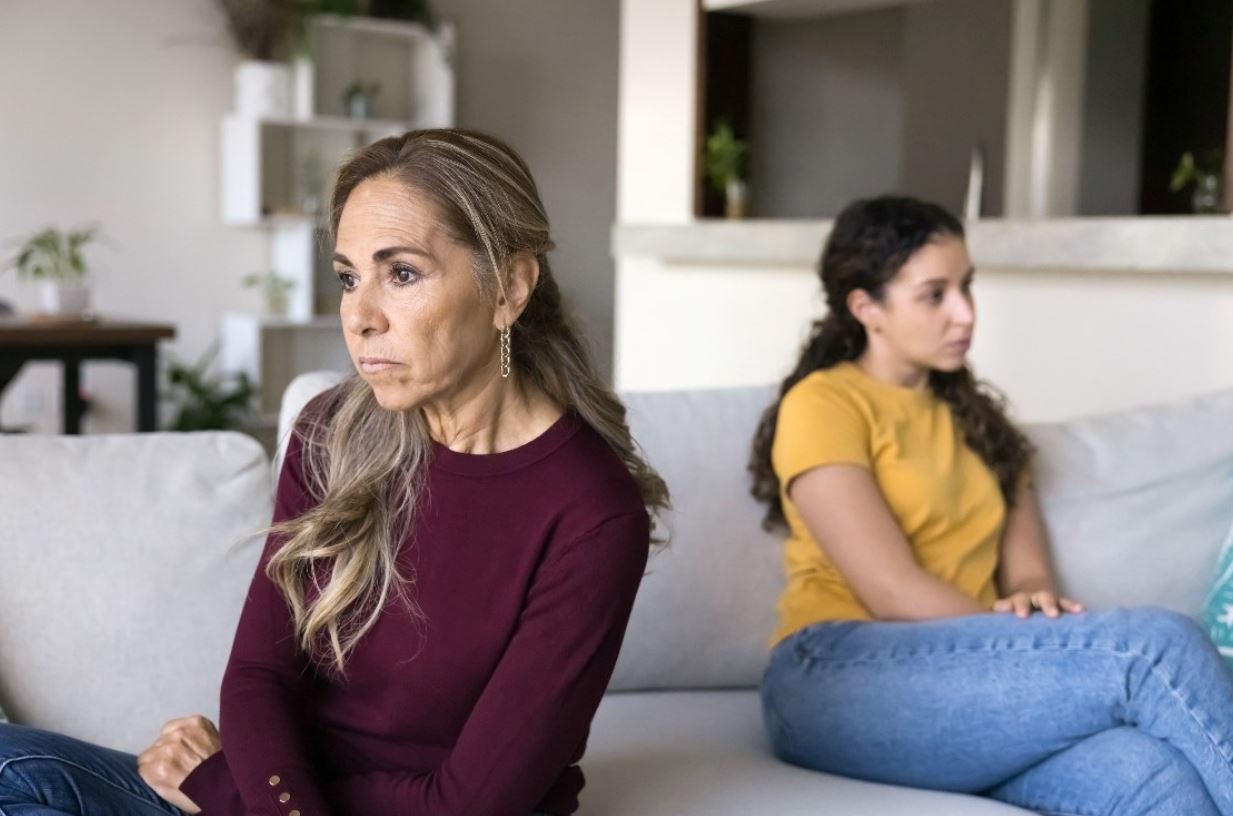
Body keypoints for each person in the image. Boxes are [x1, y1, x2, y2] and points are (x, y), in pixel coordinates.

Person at [0, 129, 668, 816]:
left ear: (509, 288)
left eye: (401, 274)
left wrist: (220, 787)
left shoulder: (591, 514)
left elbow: (468, 805)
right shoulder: (334, 429)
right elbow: (259, 673)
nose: (359, 316)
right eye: (349, 277)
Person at [749, 195, 1233, 815]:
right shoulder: (824, 403)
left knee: (1156, 778)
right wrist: (1027, 650)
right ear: (866, 308)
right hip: (833, 672)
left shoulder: (985, 427)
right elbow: (891, 589)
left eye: (967, 286)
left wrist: (1032, 604)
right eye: (935, 295)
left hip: (972, 678)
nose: (966, 313)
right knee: (1155, 646)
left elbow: (1030, 577)